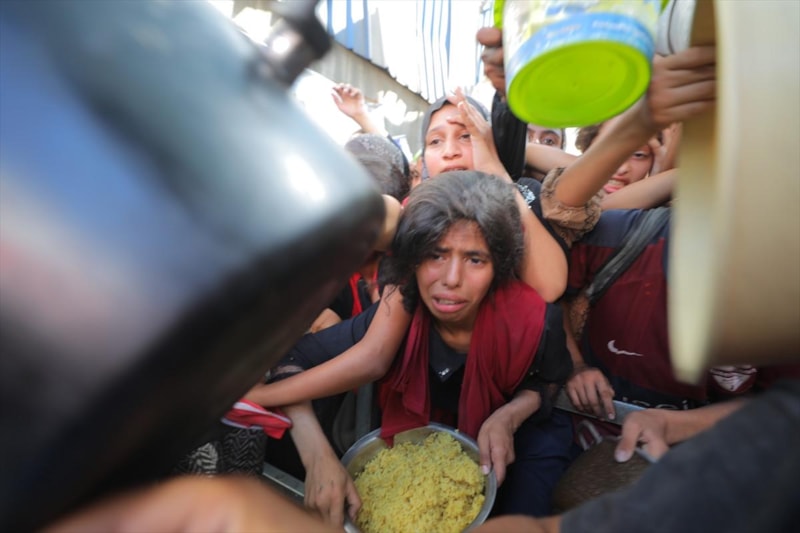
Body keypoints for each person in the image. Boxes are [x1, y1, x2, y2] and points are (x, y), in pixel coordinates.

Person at [262, 171, 575, 525]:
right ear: (413, 260)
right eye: (435, 255)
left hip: (520, 450)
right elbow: (293, 359)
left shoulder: (534, 322)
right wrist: (316, 454)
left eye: (475, 259)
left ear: (498, 267)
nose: (451, 279)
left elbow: (547, 381)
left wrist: (509, 415)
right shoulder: (399, 314)